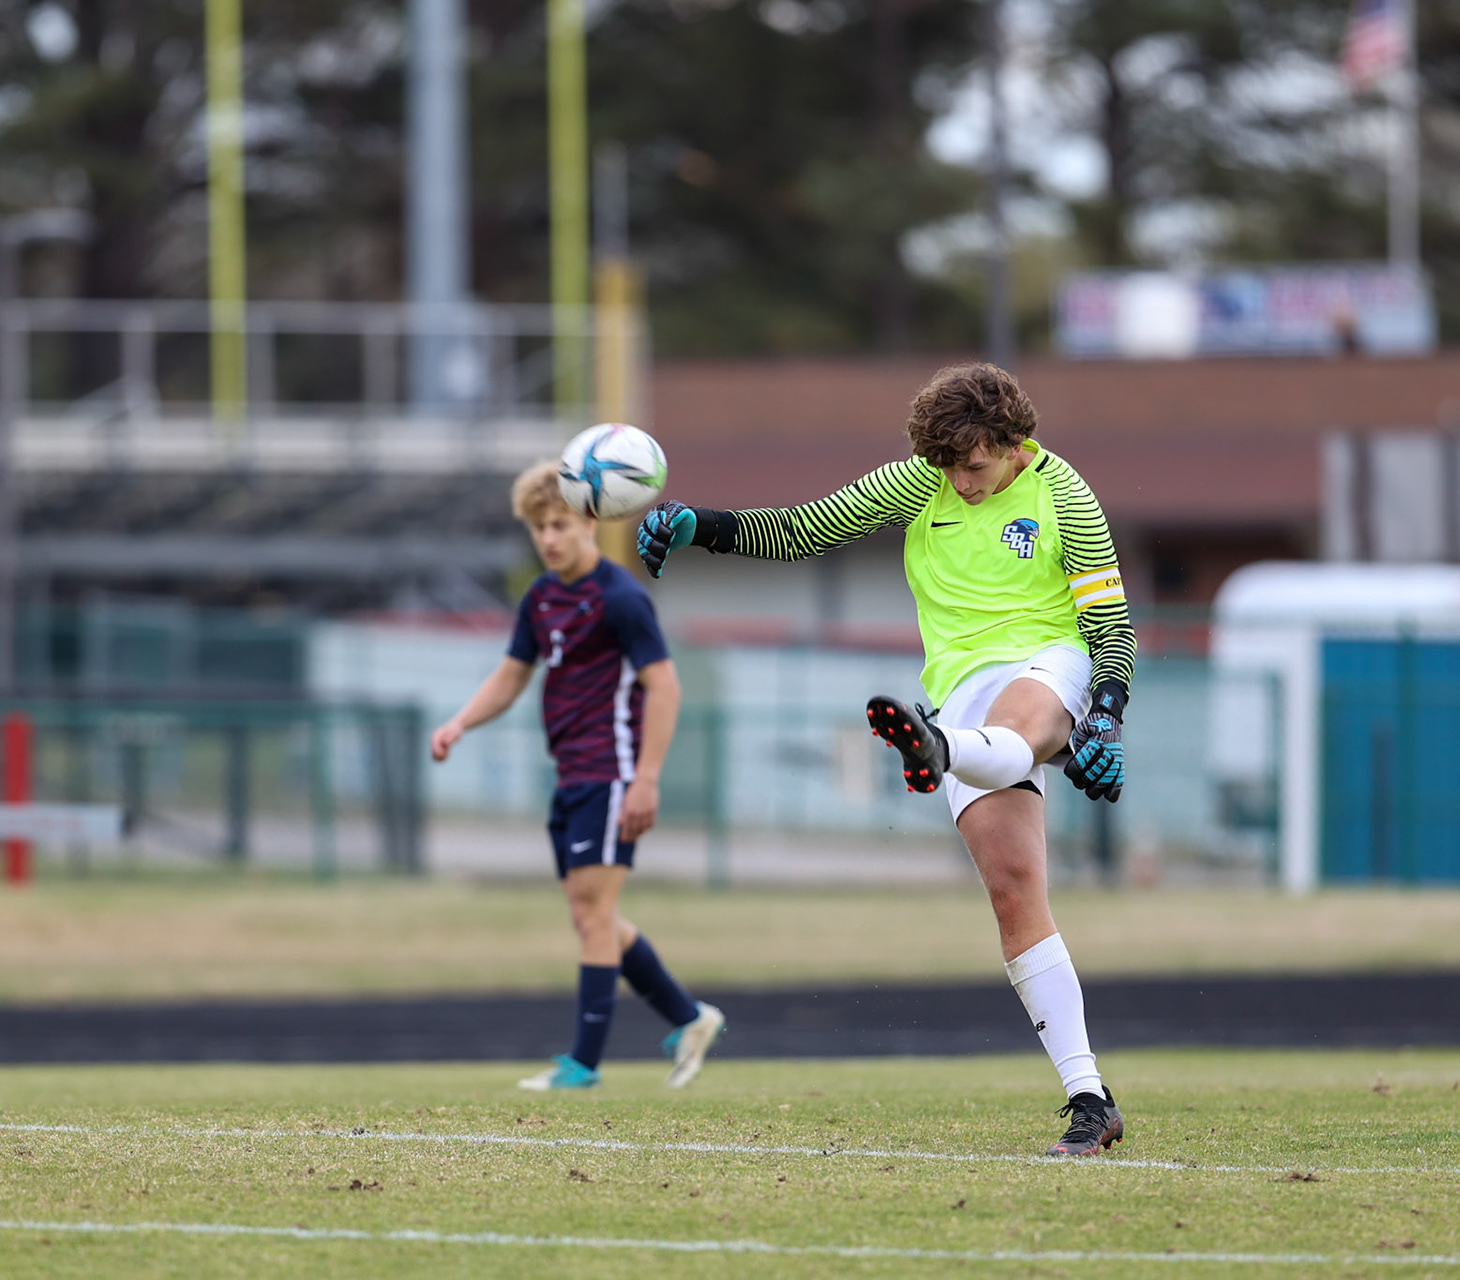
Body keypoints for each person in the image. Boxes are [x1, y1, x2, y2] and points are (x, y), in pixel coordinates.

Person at [636, 363, 1131, 1155]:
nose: (961, 483)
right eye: (948, 468)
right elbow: (802, 530)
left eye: (973, 466)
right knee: (1013, 893)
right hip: (959, 686)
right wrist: (699, 524)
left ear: (1012, 444)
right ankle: (1090, 1098)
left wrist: (1104, 714)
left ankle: (944, 750)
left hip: (1049, 658)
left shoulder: (1064, 495)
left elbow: (1111, 628)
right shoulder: (922, 482)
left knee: (1017, 719)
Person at [431, 461, 725, 1092]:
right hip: (570, 776)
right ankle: (689, 1017)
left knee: (594, 915)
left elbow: (664, 686)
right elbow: (511, 676)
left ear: (591, 520)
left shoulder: (620, 598)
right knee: (591, 913)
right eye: (539, 527)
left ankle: (583, 1066)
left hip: (613, 773)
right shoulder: (541, 598)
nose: (549, 538)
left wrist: (646, 779)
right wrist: (459, 724)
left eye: (560, 523)